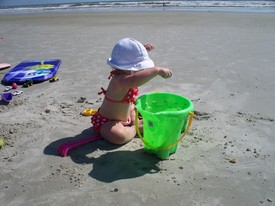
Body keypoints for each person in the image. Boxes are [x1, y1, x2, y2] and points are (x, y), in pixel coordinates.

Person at [91, 38, 172, 145]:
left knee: (133, 108)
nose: (141, 70)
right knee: (118, 136)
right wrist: (156, 70)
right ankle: (135, 129)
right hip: (109, 122)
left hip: (127, 115)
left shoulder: (128, 74)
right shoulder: (119, 80)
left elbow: (131, 66)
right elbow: (135, 80)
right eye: (138, 66)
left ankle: (135, 122)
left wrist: (143, 51)